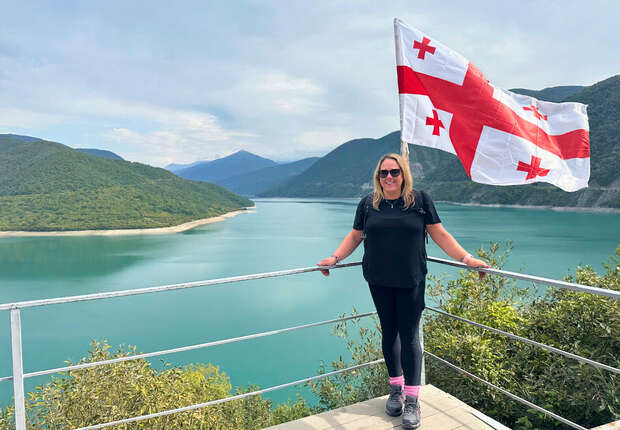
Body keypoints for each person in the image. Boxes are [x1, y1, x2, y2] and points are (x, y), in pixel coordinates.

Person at [317, 153, 488, 429]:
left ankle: (412, 399)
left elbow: (439, 233)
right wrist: (334, 258)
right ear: (378, 177)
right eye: (383, 173)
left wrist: (467, 259)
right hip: (378, 279)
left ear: (403, 174)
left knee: (409, 336)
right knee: (389, 332)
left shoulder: (419, 201)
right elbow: (354, 236)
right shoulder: (368, 204)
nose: (389, 178)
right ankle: (395, 388)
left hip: (411, 280)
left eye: (394, 172)